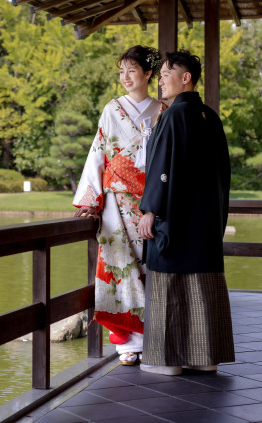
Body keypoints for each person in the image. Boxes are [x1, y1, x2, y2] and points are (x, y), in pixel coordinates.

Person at [137, 49, 235, 376]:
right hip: (205, 221)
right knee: (202, 288)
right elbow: (223, 173)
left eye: (165, 74)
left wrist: (150, 208)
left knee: (170, 287)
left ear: (185, 78)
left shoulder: (174, 115)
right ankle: (206, 357)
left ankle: (169, 361)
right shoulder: (209, 116)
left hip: (175, 219)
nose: (161, 81)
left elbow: (162, 168)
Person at [73, 45, 165, 366]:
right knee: (119, 264)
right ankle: (127, 343)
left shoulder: (161, 111)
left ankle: (151, 336)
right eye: (121, 72)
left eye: (132, 71)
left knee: (148, 265)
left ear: (148, 74)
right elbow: (98, 154)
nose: (125, 78)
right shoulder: (112, 110)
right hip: (115, 202)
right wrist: (90, 200)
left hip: (150, 199)